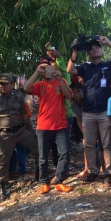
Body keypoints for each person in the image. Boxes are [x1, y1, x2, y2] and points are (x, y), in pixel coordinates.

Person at [67, 36, 111, 186]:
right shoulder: (85, 67)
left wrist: (108, 42)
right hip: (87, 112)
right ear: (88, 54)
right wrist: (74, 51)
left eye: (97, 47)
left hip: (105, 112)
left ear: (102, 51)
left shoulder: (109, 65)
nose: (94, 49)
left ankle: (108, 173)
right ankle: (93, 171)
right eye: (91, 48)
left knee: (106, 144)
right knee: (89, 144)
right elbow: (70, 70)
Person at [0, 73, 39, 200]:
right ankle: (3, 186)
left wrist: (30, 129)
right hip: (5, 134)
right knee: (3, 160)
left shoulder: (18, 96)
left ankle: (40, 172)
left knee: (38, 147)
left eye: (5, 83)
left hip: (20, 130)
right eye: (0, 84)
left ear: (12, 84)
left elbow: (24, 114)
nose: (2, 86)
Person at [24, 61, 73, 194]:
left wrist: (60, 78)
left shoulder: (61, 81)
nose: (45, 70)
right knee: (43, 156)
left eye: (47, 67)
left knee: (64, 153)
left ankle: (59, 181)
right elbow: (26, 89)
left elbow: (69, 96)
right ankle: (44, 182)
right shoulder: (39, 85)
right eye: (43, 68)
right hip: (43, 126)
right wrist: (36, 72)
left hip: (61, 125)